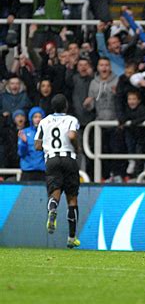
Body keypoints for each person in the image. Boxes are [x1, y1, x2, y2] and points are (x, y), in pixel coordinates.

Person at [34, 94, 81, 249]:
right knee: (72, 199)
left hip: (52, 160)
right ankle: (71, 238)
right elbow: (72, 135)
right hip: (68, 158)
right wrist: (76, 146)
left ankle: (53, 209)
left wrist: (48, 145)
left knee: (55, 193)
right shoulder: (71, 120)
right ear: (66, 106)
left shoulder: (44, 121)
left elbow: (37, 145)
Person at [17, 107, 46, 181]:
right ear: (31, 118)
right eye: (35, 117)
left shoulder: (46, 133)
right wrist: (24, 142)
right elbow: (21, 153)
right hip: (27, 171)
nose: (38, 119)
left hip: (42, 171)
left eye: (40, 117)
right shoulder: (24, 132)